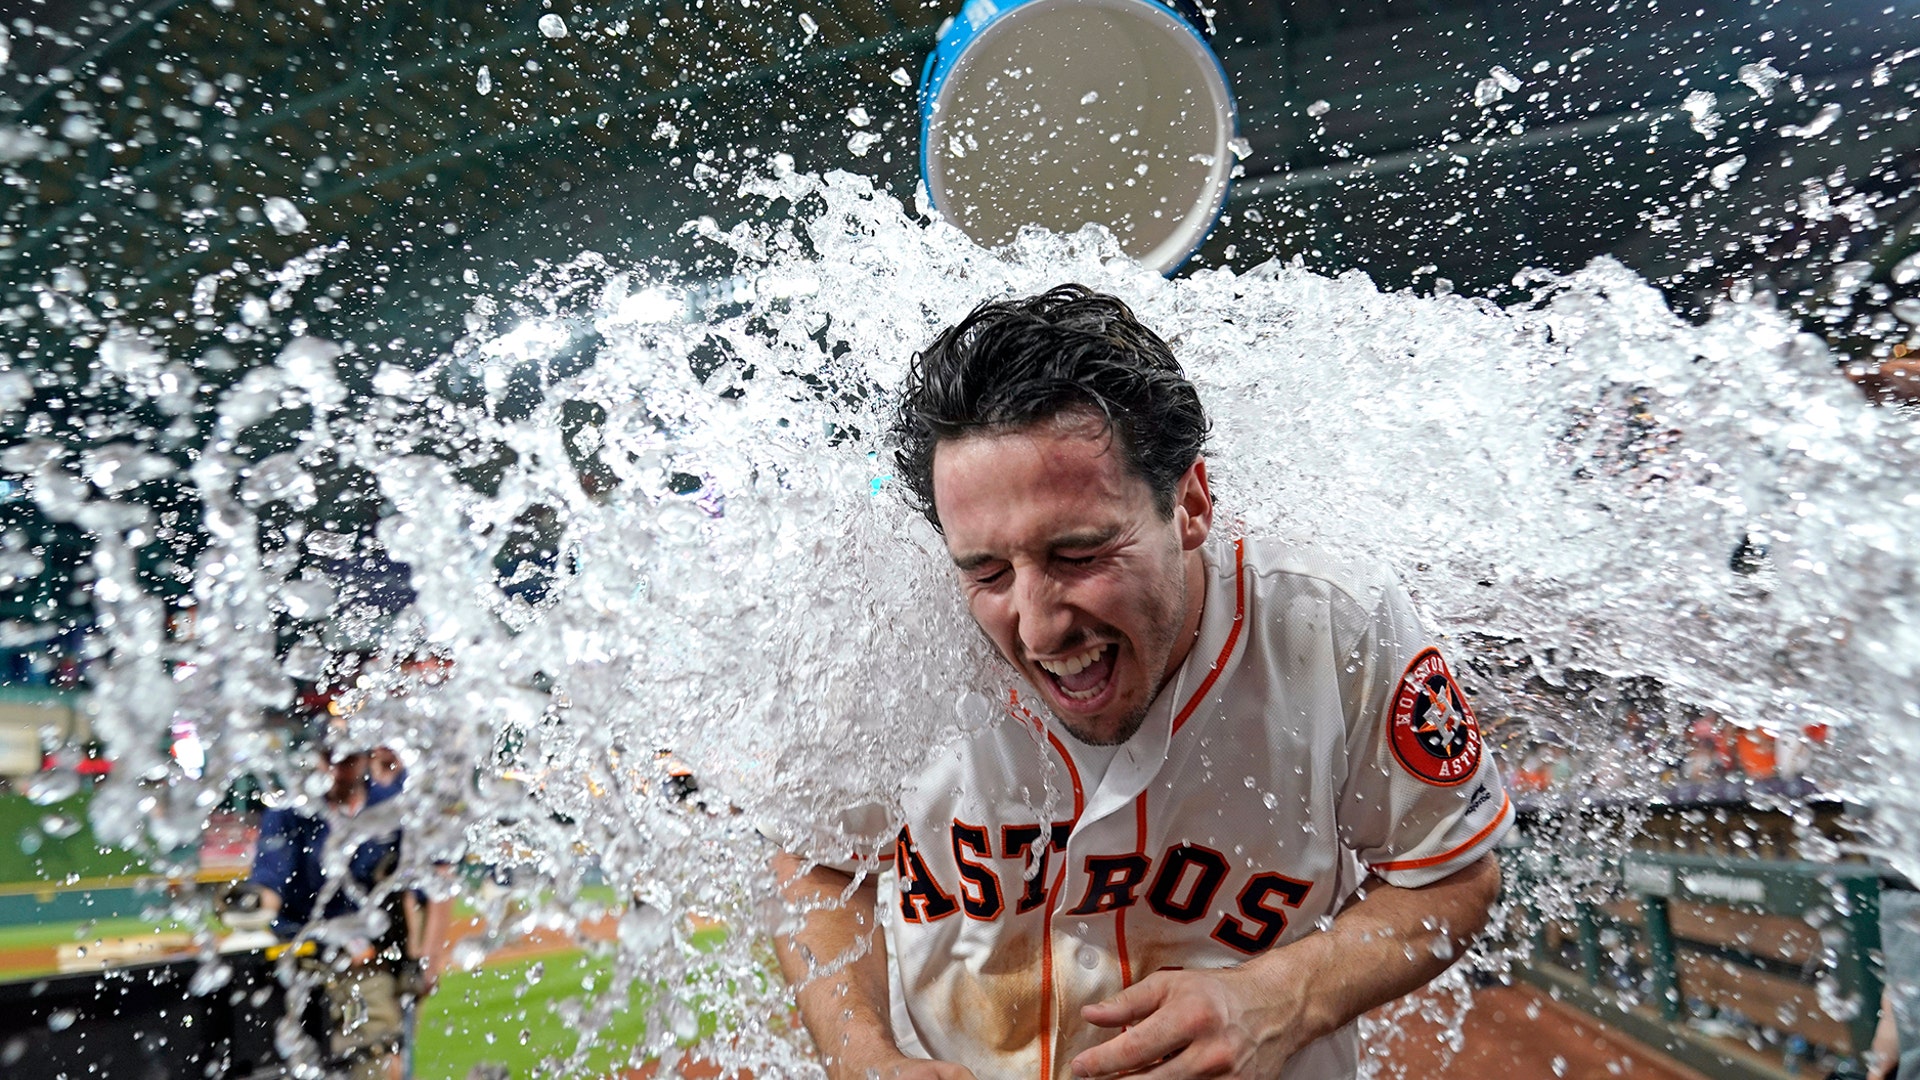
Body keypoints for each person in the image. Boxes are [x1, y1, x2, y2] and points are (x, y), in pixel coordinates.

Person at [772, 285, 1512, 1080]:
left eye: (1079, 555)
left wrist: (1287, 995)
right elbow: (816, 859)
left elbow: (1453, 874)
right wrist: (862, 1059)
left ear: (1191, 503)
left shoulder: (1336, 623)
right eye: (986, 571)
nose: (1038, 624)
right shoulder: (883, 640)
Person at [245, 740, 451, 1080]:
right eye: (331, 757)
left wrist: (429, 959)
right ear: (318, 759)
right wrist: (249, 902)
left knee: (377, 1067)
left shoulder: (391, 801)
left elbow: (438, 879)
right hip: (300, 969)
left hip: (370, 970)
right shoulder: (292, 809)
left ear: (364, 759)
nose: (339, 767)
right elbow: (269, 883)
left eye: (349, 758)